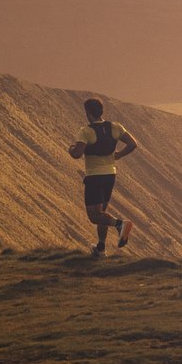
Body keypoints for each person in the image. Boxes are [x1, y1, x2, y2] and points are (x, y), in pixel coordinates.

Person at [68, 97, 137, 256]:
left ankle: (120, 225)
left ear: (88, 113)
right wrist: (118, 155)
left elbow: (77, 154)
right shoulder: (115, 127)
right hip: (110, 175)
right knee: (102, 213)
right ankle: (100, 247)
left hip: (95, 176)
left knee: (94, 216)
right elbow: (133, 144)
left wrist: (70, 149)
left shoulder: (86, 131)